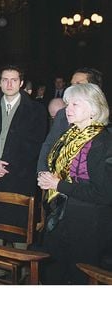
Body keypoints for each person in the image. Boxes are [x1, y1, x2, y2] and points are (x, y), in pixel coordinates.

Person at [37, 83, 112, 284]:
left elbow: (104, 194)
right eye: (68, 104)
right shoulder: (70, 135)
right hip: (62, 213)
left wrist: (58, 184)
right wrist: (47, 179)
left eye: (75, 105)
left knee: (79, 277)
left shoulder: (102, 142)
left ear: (93, 109)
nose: (67, 109)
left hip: (88, 222)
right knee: (53, 273)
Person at [0, 65, 46, 238]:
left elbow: (34, 146)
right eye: (5, 80)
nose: (9, 84)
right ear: (0, 83)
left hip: (19, 177)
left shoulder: (36, 111)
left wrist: (5, 168)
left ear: (21, 83)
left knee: (18, 236)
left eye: (14, 80)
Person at [37, 68, 103, 173]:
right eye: (72, 84)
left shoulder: (103, 125)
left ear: (93, 88)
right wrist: (42, 172)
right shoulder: (62, 114)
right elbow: (49, 144)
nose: (73, 88)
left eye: (78, 84)